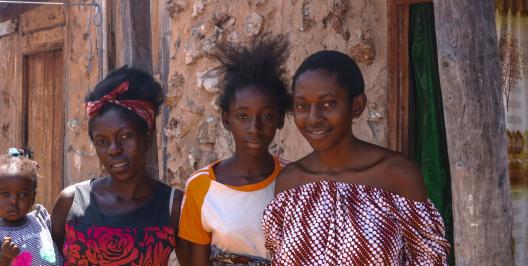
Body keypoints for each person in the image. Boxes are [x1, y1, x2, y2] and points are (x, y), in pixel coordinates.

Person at [262, 50, 451, 265]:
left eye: (329, 104)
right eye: (302, 106)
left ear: (357, 106)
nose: (313, 118)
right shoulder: (290, 183)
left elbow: (428, 260)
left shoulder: (397, 175)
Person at [50, 66, 185, 265]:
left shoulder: (172, 206)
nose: (114, 150)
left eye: (125, 137)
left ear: (146, 139)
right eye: (103, 141)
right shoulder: (71, 202)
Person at [178, 35, 292, 265]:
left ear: (280, 119)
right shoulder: (201, 186)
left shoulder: (293, 180)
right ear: (226, 119)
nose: (254, 128)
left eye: (267, 116)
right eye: (243, 116)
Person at [0, 148, 62, 265]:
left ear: (33, 197)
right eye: (5, 194)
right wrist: (4, 258)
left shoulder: (41, 220)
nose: (14, 201)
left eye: (23, 194)